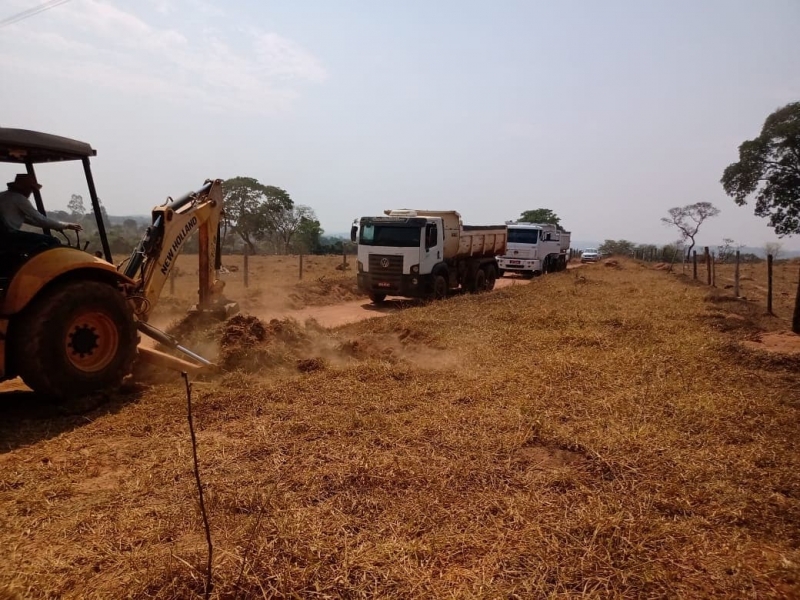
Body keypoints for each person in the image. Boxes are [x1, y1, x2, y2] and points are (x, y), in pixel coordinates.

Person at [0, 173, 82, 254]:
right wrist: (66, 226)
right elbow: (40, 219)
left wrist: (57, 226)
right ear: (25, 188)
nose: (30, 192)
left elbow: (31, 220)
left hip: (4, 236)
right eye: (31, 189)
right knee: (51, 241)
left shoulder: (3, 196)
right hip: (9, 236)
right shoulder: (19, 199)